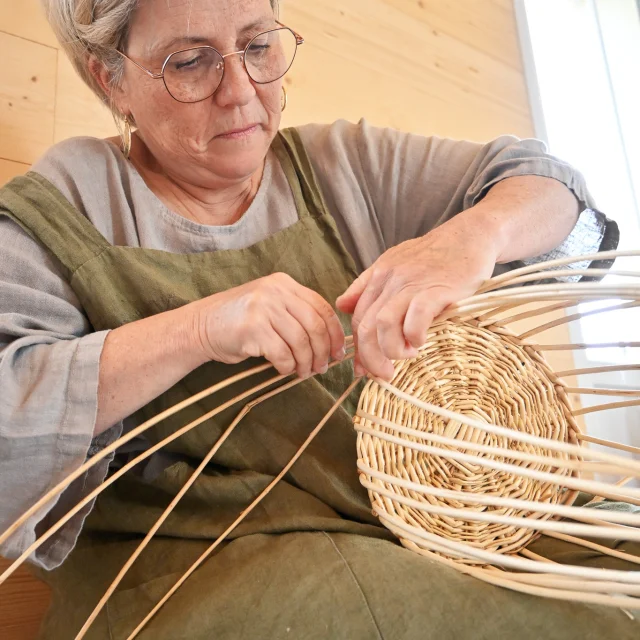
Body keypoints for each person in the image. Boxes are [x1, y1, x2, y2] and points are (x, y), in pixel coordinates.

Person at [0, 0, 635, 638]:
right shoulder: (68, 202)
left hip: (417, 524)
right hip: (203, 566)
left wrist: (477, 234)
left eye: (258, 46)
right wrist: (200, 328)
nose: (241, 91)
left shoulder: (338, 164)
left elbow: (549, 188)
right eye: (189, 61)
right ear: (112, 77)